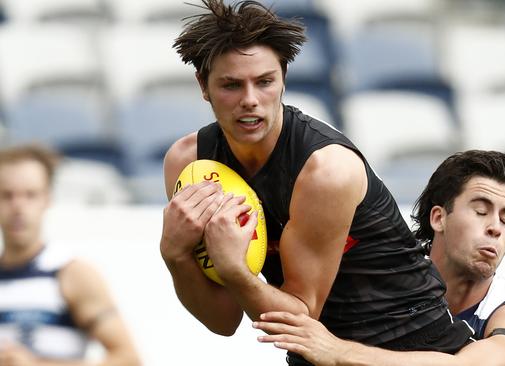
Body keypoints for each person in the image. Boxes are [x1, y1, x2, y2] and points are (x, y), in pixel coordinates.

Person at [159, 1, 473, 365]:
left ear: (284, 78)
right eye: (231, 85)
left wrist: (235, 271)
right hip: (317, 354)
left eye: (264, 82)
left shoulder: (326, 169)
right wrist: (176, 255)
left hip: (409, 346)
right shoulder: (190, 164)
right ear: (203, 84)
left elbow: (299, 316)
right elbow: (224, 319)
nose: (250, 100)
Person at [254, 150, 505, 366]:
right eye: (480, 211)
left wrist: (339, 352)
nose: (494, 228)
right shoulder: (372, 273)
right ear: (439, 218)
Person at [0, 145, 141, 366]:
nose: (18, 206)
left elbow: (128, 359)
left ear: (47, 199)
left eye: (30, 195)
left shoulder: (70, 273)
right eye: (7, 195)